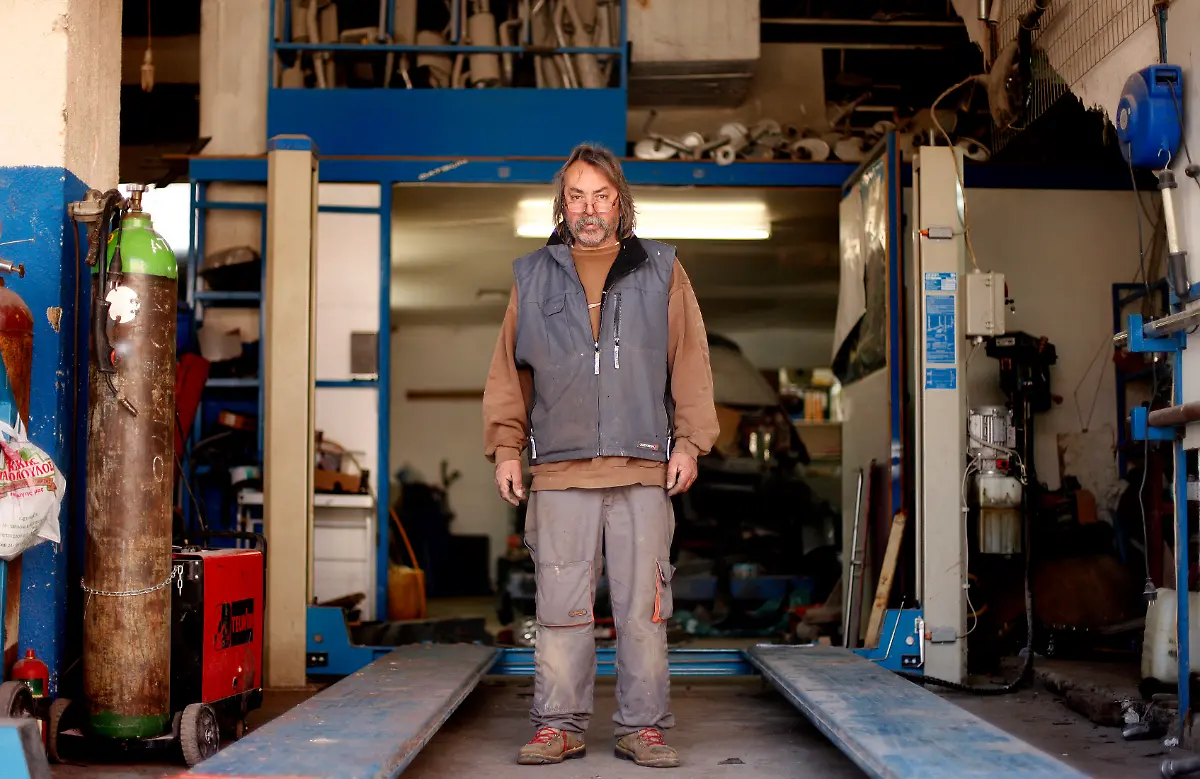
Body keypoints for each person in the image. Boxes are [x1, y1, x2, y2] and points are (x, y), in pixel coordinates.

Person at [482, 143, 719, 768]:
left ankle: (642, 727)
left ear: (621, 202)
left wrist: (691, 442)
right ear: (563, 205)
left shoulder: (662, 269)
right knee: (561, 610)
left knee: (643, 609)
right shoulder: (532, 276)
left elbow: (690, 363)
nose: (590, 209)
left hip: (642, 468)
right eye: (577, 197)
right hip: (559, 474)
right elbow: (510, 372)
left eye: (602, 196)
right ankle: (558, 724)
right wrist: (507, 448)